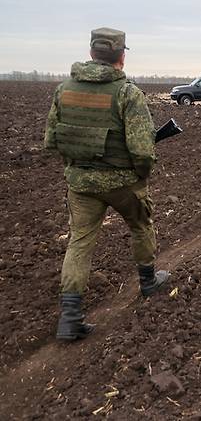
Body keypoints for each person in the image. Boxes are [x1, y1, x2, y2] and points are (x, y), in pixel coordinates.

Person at [43, 27, 170, 341]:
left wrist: (78, 166)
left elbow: (51, 141)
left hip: (81, 184)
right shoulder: (128, 93)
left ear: (91, 54)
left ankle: (70, 320)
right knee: (141, 226)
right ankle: (148, 282)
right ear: (121, 57)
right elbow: (142, 149)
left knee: (79, 244)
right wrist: (142, 175)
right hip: (123, 183)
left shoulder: (64, 90)